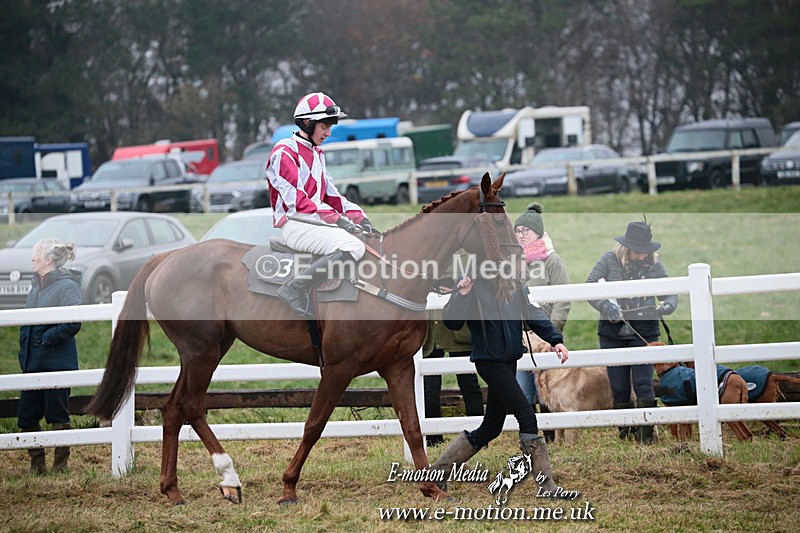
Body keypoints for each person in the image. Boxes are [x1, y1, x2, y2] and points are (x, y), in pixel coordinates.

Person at [430, 272, 570, 495]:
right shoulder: (471, 280)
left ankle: (437, 474)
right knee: (527, 415)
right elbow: (452, 321)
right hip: (489, 361)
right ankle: (546, 486)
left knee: (491, 427)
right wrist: (463, 294)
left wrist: (555, 340)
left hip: (509, 359)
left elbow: (533, 311)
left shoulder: (516, 282)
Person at [265, 91, 379, 317]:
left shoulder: (317, 153)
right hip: (295, 224)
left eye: (330, 127)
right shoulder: (284, 151)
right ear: (307, 123)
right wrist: (338, 219)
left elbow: (332, 197)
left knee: (368, 242)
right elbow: (297, 201)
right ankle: (294, 289)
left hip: (315, 222)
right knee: (352, 247)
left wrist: (361, 218)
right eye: (324, 126)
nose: (328, 133)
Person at [585, 220, 678, 444]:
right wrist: (605, 306)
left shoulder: (654, 265)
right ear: (626, 248)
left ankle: (646, 436)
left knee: (644, 383)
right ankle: (626, 435)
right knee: (619, 387)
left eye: (645, 252)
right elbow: (589, 286)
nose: (642, 256)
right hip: (612, 333)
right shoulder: (608, 259)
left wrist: (667, 305)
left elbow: (670, 293)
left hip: (644, 331)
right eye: (638, 252)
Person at [17, 239, 82, 474]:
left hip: (56, 362)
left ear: (48, 260)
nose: (33, 259)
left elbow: (73, 323)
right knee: (27, 415)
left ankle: (60, 466)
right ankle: (37, 465)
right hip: (33, 362)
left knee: (57, 414)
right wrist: (25, 347)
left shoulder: (66, 286)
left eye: (36, 255)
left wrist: (44, 339)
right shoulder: (36, 286)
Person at [512, 203, 570, 442]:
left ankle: (550, 434)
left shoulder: (552, 261)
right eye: (518, 230)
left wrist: (551, 334)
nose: (521, 234)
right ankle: (530, 435)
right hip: (519, 337)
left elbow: (563, 300)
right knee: (524, 390)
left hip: (543, 338)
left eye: (526, 230)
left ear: (538, 233)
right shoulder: (512, 263)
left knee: (547, 388)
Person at [422, 309, 485, 447]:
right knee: (429, 387)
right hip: (433, 332)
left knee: (468, 383)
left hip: (456, 328)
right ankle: (433, 438)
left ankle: (479, 435)